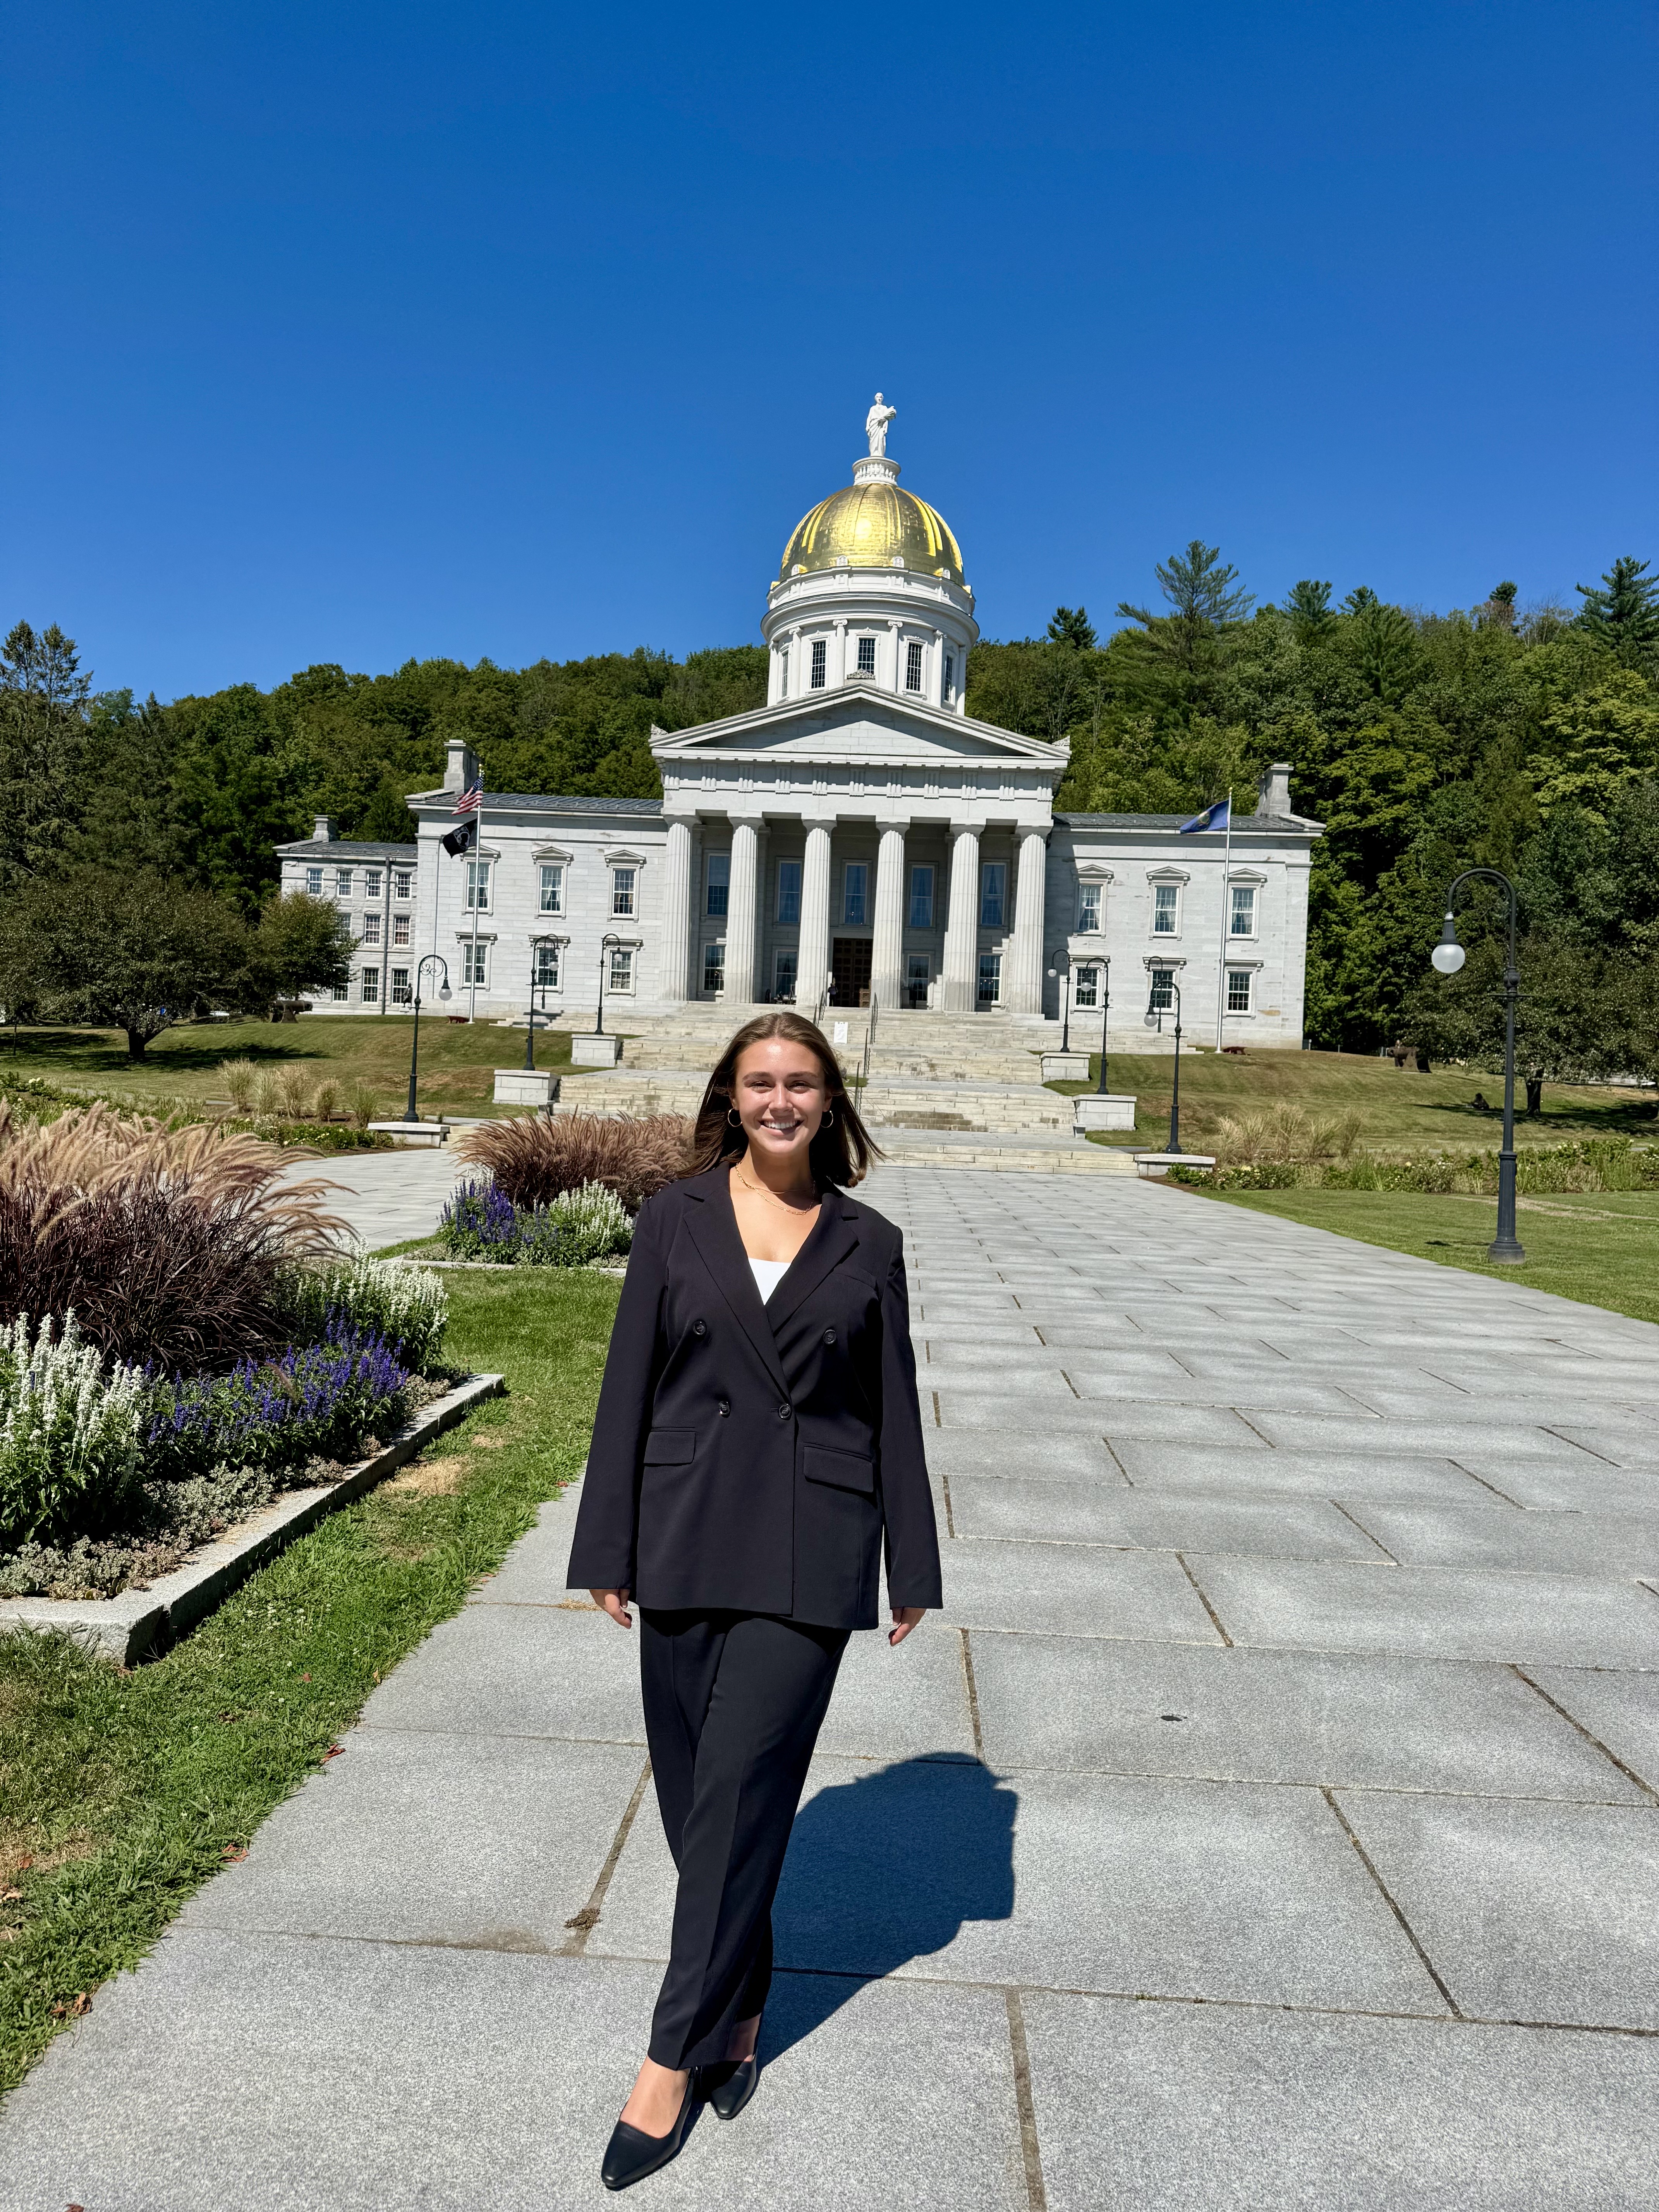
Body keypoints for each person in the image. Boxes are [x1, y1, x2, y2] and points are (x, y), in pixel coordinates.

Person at [567, 1010, 942, 2192]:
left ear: (832, 1102)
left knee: (733, 1795)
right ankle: (740, 2001)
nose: (780, 1100)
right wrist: (604, 1542)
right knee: (697, 1808)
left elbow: (892, 1410)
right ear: (730, 1098)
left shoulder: (869, 1242)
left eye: (802, 1082)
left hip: (808, 1547)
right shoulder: (672, 1219)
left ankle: (668, 2057)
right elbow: (629, 1382)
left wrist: (912, 1564)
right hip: (680, 1530)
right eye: (760, 1082)